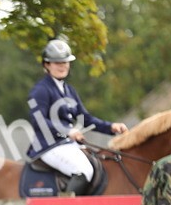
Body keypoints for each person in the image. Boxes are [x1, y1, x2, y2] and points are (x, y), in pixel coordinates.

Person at [26, 38, 129, 196]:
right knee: (83, 170)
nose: (62, 66)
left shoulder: (69, 90)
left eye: (65, 62)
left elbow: (86, 118)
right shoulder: (41, 90)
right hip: (48, 147)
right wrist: (67, 131)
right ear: (47, 65)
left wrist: (111, 127)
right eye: (57, 63)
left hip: (67, 145)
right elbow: (38, 120)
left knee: (99, 163)